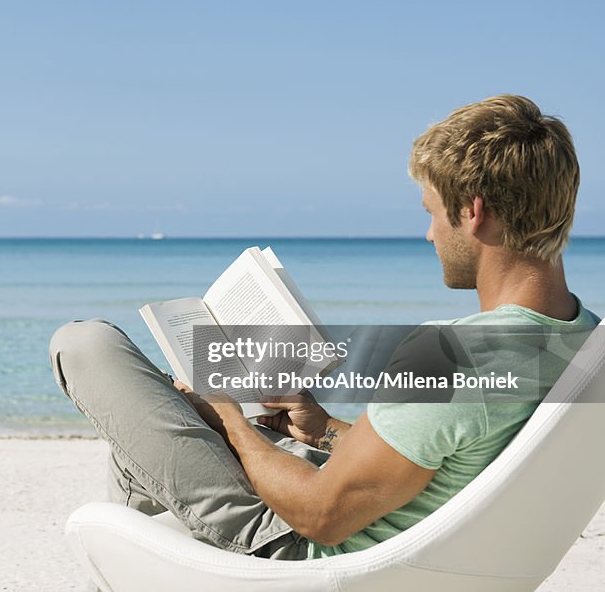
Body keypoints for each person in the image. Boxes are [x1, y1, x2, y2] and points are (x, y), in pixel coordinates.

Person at [49, 94, 600, 560]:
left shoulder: (451, 353)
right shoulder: (586, 341)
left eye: (432, 211)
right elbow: (437, 451)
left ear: (473, 212)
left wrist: (226, 418)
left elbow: (320, 515)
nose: (430, 234)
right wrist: (322, 429)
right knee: (141, 439)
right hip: (421, 548)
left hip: (298, 548)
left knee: (86, 345)